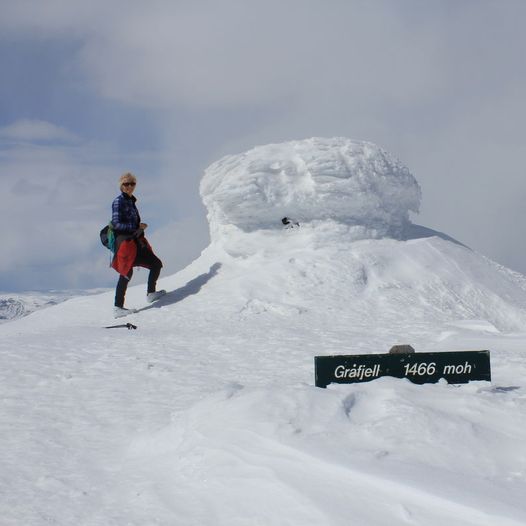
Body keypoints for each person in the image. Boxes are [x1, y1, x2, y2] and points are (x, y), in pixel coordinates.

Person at [110, 172, 165, 318]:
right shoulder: (119, 201)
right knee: (126, 273)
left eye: (132, 183)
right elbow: (116, 224)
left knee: (156, 264)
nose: (129, 186)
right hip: (126, 244)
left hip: (135, 242)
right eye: (126, 184)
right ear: (121, 186)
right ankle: (118, 307)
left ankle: (151, 293)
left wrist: (139, 227)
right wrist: (136, 227)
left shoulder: (131, 201)